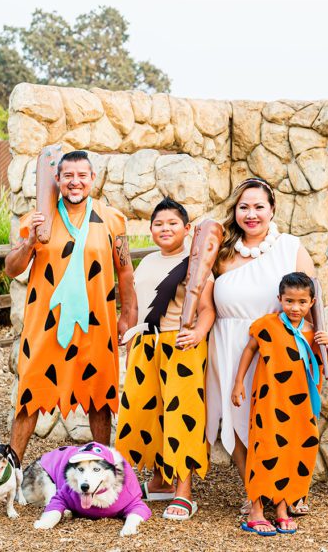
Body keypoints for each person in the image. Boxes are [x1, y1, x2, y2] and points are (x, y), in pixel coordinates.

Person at [4, 149, 138, 461]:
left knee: (100, 395)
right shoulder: (38, 220)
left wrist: (127, 315)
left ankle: (103, 467)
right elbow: (12, 268)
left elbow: (125, 270)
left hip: (97, 322)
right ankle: (10, 470)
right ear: (58, 180)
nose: (74, 182)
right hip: (45, 322)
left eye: (81, 176)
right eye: (68, 176)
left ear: (93, 179)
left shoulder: (112, 221)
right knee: (31, 391)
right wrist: (30, 242)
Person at [205, 177, 317, 515]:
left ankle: (287, 489)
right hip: (228, 344)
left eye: (258, 207)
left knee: (279, 421)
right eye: (243, 207)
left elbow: (314, 302)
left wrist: (319, 350)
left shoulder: (290, 247)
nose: (251, 214)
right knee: (238, 423)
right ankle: (255, 490)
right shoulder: (222, 252)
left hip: (276, 350)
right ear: (235, 211)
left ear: (272, 209)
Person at [115, 198, 215, 522]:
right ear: (151, 230)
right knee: (149, 411)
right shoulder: (146, 263)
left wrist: (199, 333)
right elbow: (137, 307)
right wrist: (131, 341)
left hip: (181, 344)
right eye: (158, 224)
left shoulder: (197, 262)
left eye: (173, 223)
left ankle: (183, 492)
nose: (165, 229)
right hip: (147, 344)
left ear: (187, 229)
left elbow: (207, 308)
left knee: (181, 415)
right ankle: (159, 480)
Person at [231, 272, 328, 535]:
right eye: (289, 301)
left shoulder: (313, 333)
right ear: (280, 299)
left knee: (292, 451)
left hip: (299, 405)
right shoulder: (267, 325)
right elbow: (249, 349)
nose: (295, 307)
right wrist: (238, 384)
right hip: (269, 400)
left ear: (312, 302)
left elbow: (322, 367)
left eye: (302, 302)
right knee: (264, 448)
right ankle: (256, 510)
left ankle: (282, 507)